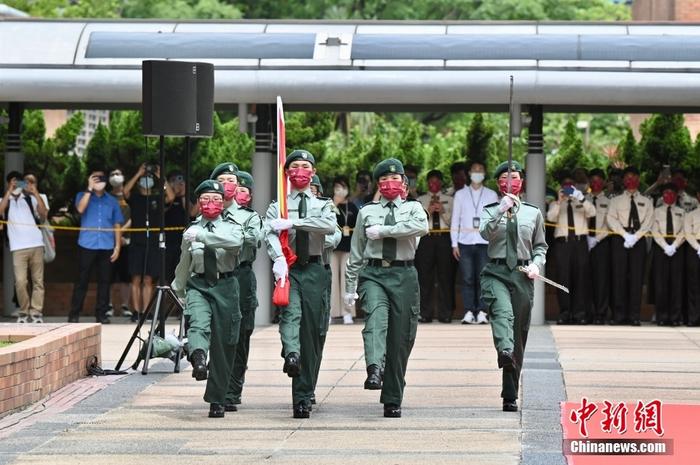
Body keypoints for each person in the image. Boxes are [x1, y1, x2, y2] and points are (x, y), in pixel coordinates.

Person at [345, 158, 429, 418]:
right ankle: (374, 368)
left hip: (404, 274)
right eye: (384, 180)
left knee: (401, 338)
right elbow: (356, 251)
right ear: (378, 185)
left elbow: (422, 227)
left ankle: (393, 396)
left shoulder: (414, 208)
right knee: (375, 320)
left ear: (404, 183)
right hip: (374, 274)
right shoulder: (366, 212)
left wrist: (385, 231)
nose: (390, 184)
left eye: (395, 179)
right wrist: (350, 286)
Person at [264, 149, 336, 419]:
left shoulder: (322, 204)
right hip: (291, 267)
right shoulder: (278, 204)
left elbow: (329, 226)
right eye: (294, 166)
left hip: (316, 270)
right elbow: (269, 230)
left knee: (312, 333)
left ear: (313, 172)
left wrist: (294, 222)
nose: (300, 171)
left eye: (305, 166)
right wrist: (278, 258)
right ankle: (293, 363)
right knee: (290, 315)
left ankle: (305, 381)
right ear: (287, 173)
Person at [479, 161, 547, 413]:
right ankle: (503, 348)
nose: (510, 181)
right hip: (496, 271)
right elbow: (484, 234)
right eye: (505, 178)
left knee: (519, 334)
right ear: (498, 184)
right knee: (502, 313)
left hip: (522, 274)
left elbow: (540, 245)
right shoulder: (489, 210)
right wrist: (500, 211)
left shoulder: (533, 212)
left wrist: (537, 264)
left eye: (515, 177)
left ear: (522, 182)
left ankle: (510, 393)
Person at [172, 179, 244, 418]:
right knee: (198, 324)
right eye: (204, 199)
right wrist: (179, 289)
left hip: (225, 285)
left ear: (223, 203)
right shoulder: (191, 229)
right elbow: (184, 262)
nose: (210, 203)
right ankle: (199, 357)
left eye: (215, 199)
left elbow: (235, 244)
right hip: (199, 284)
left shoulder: (232, 226)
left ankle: (217, 399)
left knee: (225, 345)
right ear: (198, 202)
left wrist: (203, 237)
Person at [210, 167, 264, 413]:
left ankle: (233, 389)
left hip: (241, 275)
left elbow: (253, 239)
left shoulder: (248, 216)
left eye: (234, 183)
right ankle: (219, 389)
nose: (229, 186)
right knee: (218, 334)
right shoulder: (207, 213)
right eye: (222, 181)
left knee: (241, 335)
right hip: (214, 277)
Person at [68, 168, 124, 323]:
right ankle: (74, 314)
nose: (99, 180)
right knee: (81, 281)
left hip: (106, 246)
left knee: (105, 282)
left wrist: (117, 246)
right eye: (95, 178)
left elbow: (117, 225)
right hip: (87, 244)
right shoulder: (82, 195)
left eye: (101, 178)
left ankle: (101, 314)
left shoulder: (112, 201)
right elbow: (80, 209)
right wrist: (89, 189)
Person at [123, 162, 175, 322]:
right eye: (144, 178)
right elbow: (125, 191)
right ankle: (136, 311)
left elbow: (171, 197)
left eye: (148, 177)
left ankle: (147, 311)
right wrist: (139, 173)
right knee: (136, 278)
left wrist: (161, 177)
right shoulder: (136, 197)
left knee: (148, 279)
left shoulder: (157, 197)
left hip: (152, 242)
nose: (147, 180)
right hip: (137, 242)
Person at [450, 160, 498, 325]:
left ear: (484, 174)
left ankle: (482, 311)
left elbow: (495, 221)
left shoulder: (491, 195)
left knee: (483, 278)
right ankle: (469, 310)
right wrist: (454, 244)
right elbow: (455, 219)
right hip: (465, 242)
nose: (477, 173)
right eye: (474, 170)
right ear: (469, 174)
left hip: (485, 242)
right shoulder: (460, 194)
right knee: (467, 278)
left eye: (480, 170)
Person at [606, 166, 654, 326]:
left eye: (633, 177)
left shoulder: (646, 201)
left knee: (636, 278)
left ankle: (634, 315)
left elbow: (649, 221)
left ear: (638, 180)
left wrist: (636, 236)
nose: (630, 180)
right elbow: (611, 219)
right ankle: (619, 315)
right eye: (627, 177)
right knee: (618, 277)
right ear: (623, 180)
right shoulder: (616, 200)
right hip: (620, 239)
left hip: (638, 239)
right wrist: (624, 234)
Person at [546, 171, 596, 325]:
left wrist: (579, 197)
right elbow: (550, 218)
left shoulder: (581, 202)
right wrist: (560, 201)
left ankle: (579, 313)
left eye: (570, 186)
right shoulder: (555, 204)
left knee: (580, 278)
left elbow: (592, 212)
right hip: (563, 244)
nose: (568, 189)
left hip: (580, 243)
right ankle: (565, 313)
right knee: (563, 278)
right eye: (565, 186)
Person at [0, 171, 49, 323]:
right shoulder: (4, 200)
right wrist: (9, 192)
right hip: (18, 247)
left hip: (36, 244)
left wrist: (35, 193)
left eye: (19, 182)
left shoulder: (30, 199)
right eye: (14, 182)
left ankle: (36, 312)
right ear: (9, 183)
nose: (17, 185)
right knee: (20, 282)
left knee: (38, 281)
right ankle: (24, 310)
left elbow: (43, 214)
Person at [416, 169, 455, 323]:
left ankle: (446, 313)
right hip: (427, 238)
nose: (433, 184)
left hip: (445, 237)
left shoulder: (450, 199)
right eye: (430, 182)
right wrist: (429, 212)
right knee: (425, 277)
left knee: (445, 276)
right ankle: (425, 313)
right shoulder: (420, 200)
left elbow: (455, 222)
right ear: (427, 183)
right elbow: (418, 223)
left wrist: (443, 211)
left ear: (441, 183)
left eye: (436, 182)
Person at [651, 183, 685, 326]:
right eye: (666, 192)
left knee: (676, 283)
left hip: (677, 248)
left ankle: (675, 317)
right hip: (661, 248)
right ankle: (662, 316)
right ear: (662, 195)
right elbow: (654, 230)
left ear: (677, 195)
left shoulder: (682, 212)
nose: (669, 195)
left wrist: (674, 245)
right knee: (661, 283)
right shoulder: (656, 211)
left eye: (672, 192)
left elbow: (684, 231)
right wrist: (665, 246)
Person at [329, 175, 359, 324]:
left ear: (347, 188)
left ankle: (348, 312)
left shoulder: (352, 207)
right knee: (333, 280)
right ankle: (332, 312)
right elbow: (327, 219)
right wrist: (335, 203)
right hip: (333, 248)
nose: (339, 190)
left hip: (348, 247)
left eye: (342, 187)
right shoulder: (330, 205)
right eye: (336, 187)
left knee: (347, 279)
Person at [585, 168, 612, 325]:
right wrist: (587, 239)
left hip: (602, 243)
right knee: (586, 279)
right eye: (593, 181)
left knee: (601, 280)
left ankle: (601, 314)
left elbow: (610, 224)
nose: (595, 184)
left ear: (604, 182)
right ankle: (588, 312)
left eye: (598, 181)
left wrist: (596, 239)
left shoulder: (609, 202)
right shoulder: (583, 199)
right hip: (585, 243)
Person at [107, 168, 132, 318]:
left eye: (118, 174)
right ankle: (108, 305)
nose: (116, 176)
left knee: (125, 277)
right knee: (109, 276)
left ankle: (125, 306)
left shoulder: (128, 196)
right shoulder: (107, 197)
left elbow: (132, 218)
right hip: (110, 241)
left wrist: (121, 233)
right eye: (112, 174)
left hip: (127, 241)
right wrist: (116, 235)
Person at [165, 170, 189, 283]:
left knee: (180, 272)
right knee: (167, 273)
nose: (178, 183)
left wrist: (183, 193)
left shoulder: (186, 199)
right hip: (167, 242)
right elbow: (167, 203)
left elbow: (191, 212)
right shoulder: (166, 198)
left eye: (180, 180)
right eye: (173, 181)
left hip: (182, 242)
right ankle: (167, 299)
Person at [684, 195, 700, 327]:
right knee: (694, 284)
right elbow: (688, 233)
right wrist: (698, 247)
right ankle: (693, 317)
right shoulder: (691, 214)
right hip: (695, 248)